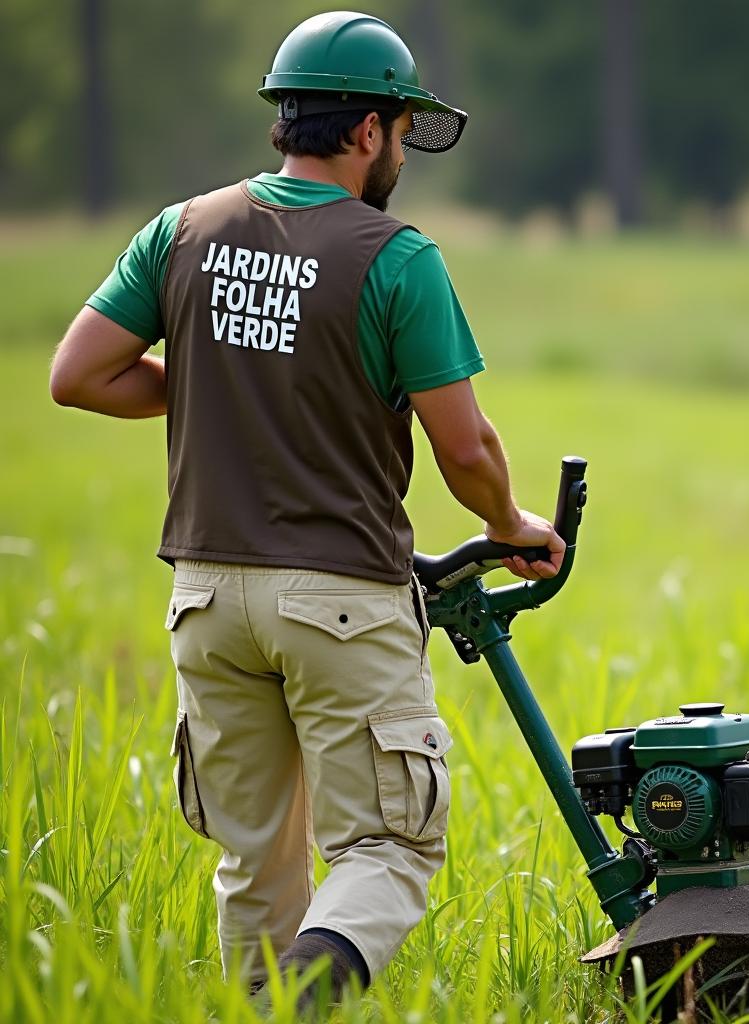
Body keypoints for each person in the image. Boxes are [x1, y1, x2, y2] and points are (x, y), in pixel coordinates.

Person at [49, 10, 564, 1011]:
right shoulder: (396, 256)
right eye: (403, 131)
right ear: (370, 130)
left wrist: (214, 377)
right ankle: (315, 985)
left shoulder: (185, 228)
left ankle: (265, 1005)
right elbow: (464, 446)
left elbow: (78, 374)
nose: (400, 150)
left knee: (255, 860)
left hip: (204, 597)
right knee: (387, 844)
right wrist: (512, 525)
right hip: (338, 597)